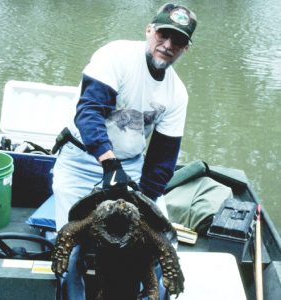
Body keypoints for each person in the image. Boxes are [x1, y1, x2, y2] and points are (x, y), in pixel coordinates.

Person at [52, 3, 197, 299]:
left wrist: (145, 206)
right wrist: (108, 162)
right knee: (71, 247)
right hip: (82, 159)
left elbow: (162, 158)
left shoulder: (177, 93)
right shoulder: (116, 55)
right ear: (149, 30)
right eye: (163, 35)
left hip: (130, 166)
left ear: (185, 48)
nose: (168, 45)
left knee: (163, 242)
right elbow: (89, 111)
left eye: (178, 41)